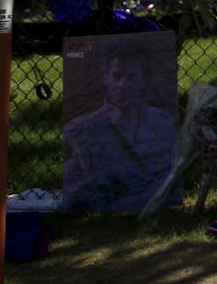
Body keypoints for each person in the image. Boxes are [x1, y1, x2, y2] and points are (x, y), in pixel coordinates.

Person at [63, 49, 178, 213]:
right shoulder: (80, 129)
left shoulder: (164, 122)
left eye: (132, 77)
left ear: (144, 81)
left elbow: (169, 177)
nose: (122, 85)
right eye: (116, 76)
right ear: (105, 79)